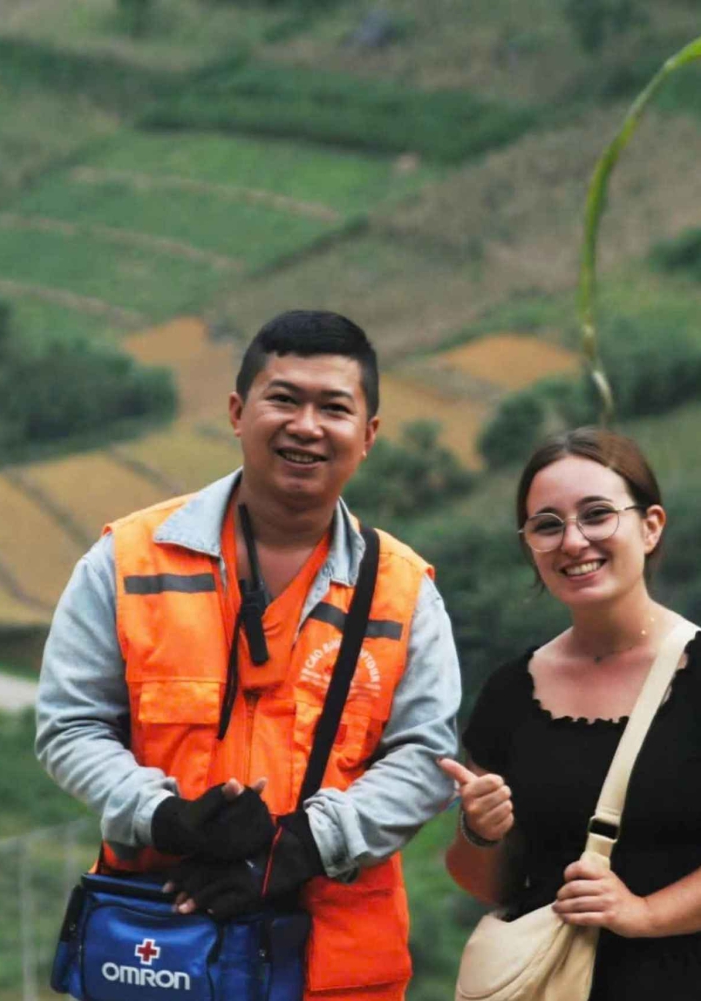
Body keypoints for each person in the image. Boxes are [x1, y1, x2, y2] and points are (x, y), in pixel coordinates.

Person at [36, 310, 463, 1001]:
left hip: (336, 968)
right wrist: (165, 816)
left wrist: (301, 847)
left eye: (334, 408)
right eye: (283, 399)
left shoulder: (405, 591)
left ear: (368, 435)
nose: (306, 426)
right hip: (159, 950)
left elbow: (426, 758)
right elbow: (70, 725)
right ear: (238, 412)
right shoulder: (127, 560)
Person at [439, 427, 701, 1000]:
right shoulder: (510, 693)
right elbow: (488, 884)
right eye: (547, 525)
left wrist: (646, 913)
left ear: (651, 526)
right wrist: (479, 832)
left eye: (597, 515)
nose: (573, 541)